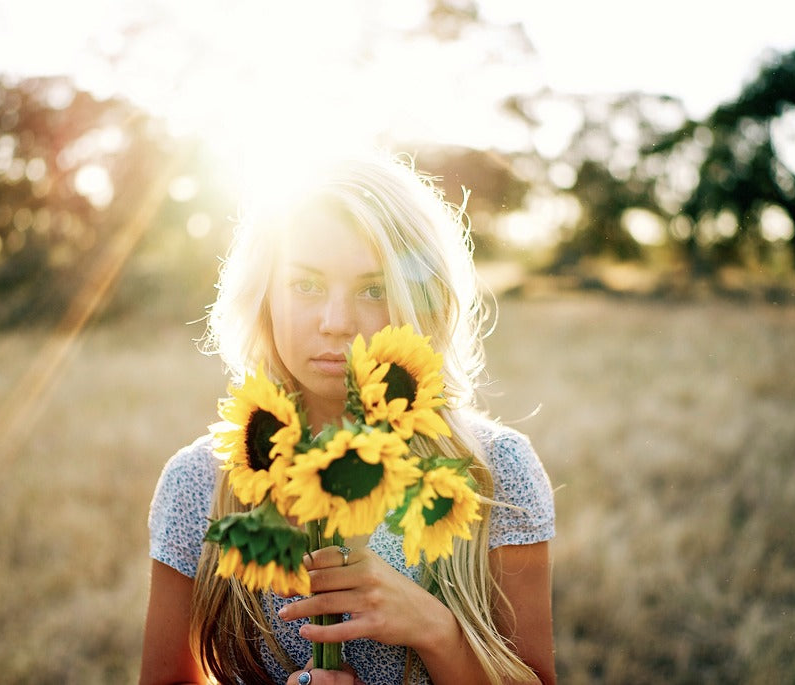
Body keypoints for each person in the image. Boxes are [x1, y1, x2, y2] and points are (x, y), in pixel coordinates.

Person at [139, 152, 556, 685]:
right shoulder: (200, 482)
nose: (336, 323)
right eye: (306, 286)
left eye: (373, 289)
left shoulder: (495, 472)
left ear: (420, 300)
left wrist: (437, 632)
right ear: (264, 295)